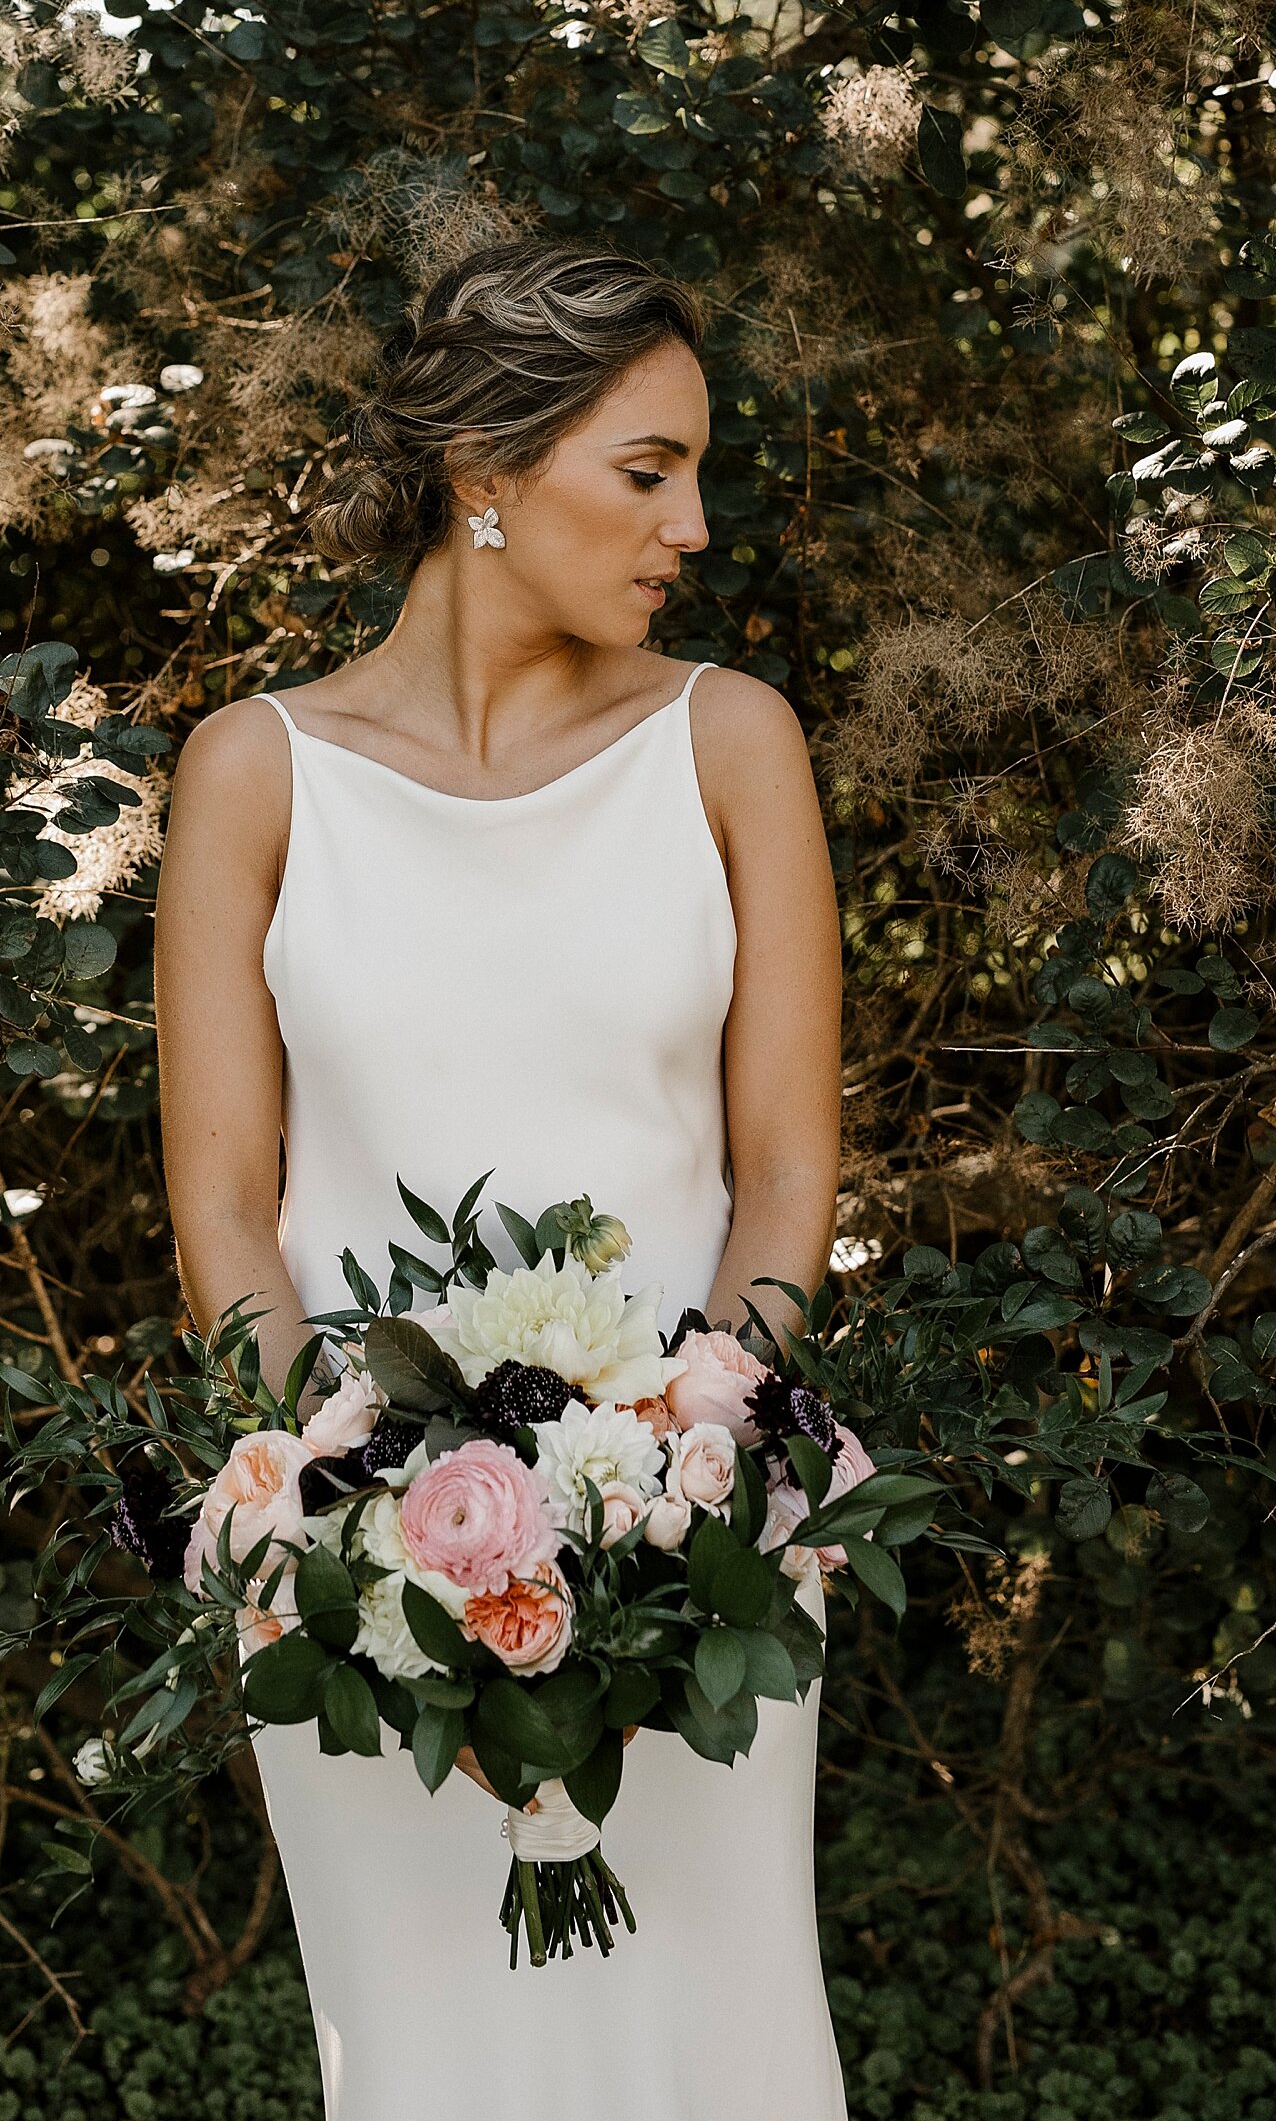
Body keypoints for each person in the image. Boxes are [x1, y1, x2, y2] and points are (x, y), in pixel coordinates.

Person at [154, 239, 847, 2120]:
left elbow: (786, 1167)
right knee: (430, 2060)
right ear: (485, 468)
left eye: (695, 472)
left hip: (697, 1556)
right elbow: (225, 1203)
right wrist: (356, 1531)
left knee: (721, 2042)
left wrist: (694, 1492)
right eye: (646, 472)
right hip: (357, 1579)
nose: (692, 527)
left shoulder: (731, 744)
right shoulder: (255, 773)